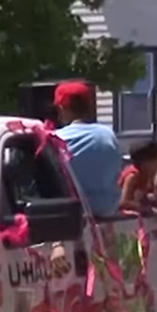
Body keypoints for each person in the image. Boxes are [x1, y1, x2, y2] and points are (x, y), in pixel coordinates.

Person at [52, 81, 122, 217]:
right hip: (108, 215)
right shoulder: (108, 135)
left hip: (73, 217)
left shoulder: (56, 139)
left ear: (61, 108)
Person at [119, 140, 157, 211]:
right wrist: (147, 209)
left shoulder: (148, 177)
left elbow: (151, 198)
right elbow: (123, 202)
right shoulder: (132, 177)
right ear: (145, 161)